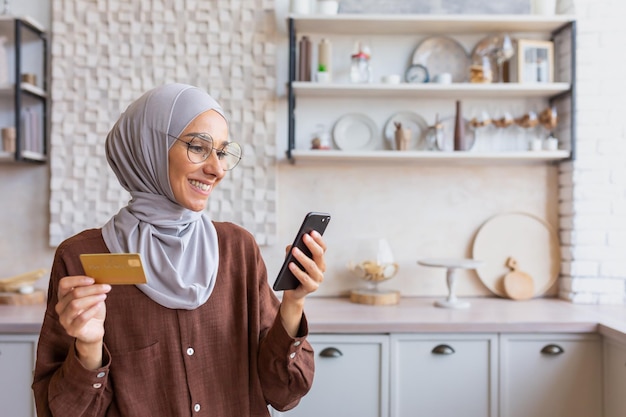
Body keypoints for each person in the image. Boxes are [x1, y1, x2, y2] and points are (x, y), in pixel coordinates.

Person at [32, 83, 327, 416]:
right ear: (149, 147)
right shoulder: (83, 259)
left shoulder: (237, 250)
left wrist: (294, 301)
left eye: (222, 151)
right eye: (198, 148)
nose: (216, 169)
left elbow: (283, 392)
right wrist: (88, 350)